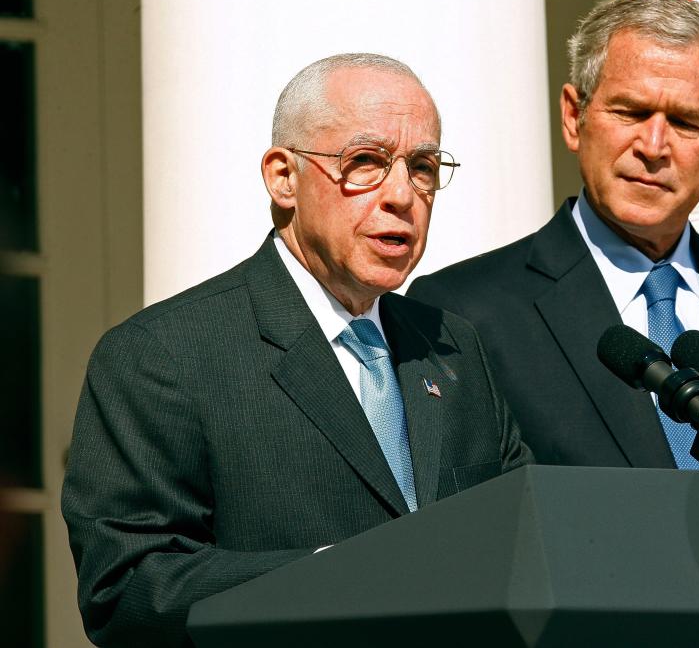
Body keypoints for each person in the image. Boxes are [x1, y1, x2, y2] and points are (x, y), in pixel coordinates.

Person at [61, 53, 531, 647]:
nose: (402, 195)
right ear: (284, 177)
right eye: (366, 163)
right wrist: (338, 576)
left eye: (422, 167)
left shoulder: (454, 347)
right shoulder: (162, 356)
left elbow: (518, 535)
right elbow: (127, 591)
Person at [408, 0, 699, 471]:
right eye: (630, 112)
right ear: (574, 117)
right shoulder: (462, 314)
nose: (653, 147)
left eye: (686, 123)